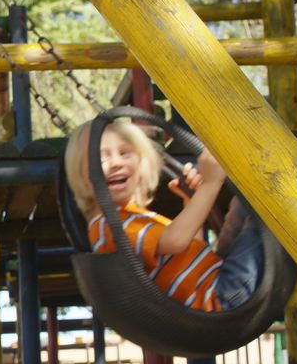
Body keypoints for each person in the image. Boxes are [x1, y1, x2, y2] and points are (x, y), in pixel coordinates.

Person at [64, 118, 263, 313]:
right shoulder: (108, 226)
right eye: (100, 158)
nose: (116, 163)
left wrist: (191, 202)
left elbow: (188, 250)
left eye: (124, 153)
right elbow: (176, 241)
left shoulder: (132, 218)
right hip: (220, 297)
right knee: (266, 213)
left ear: (141, 164)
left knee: (245, 203)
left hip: (216, 283)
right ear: (80, 175)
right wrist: (211, 184)